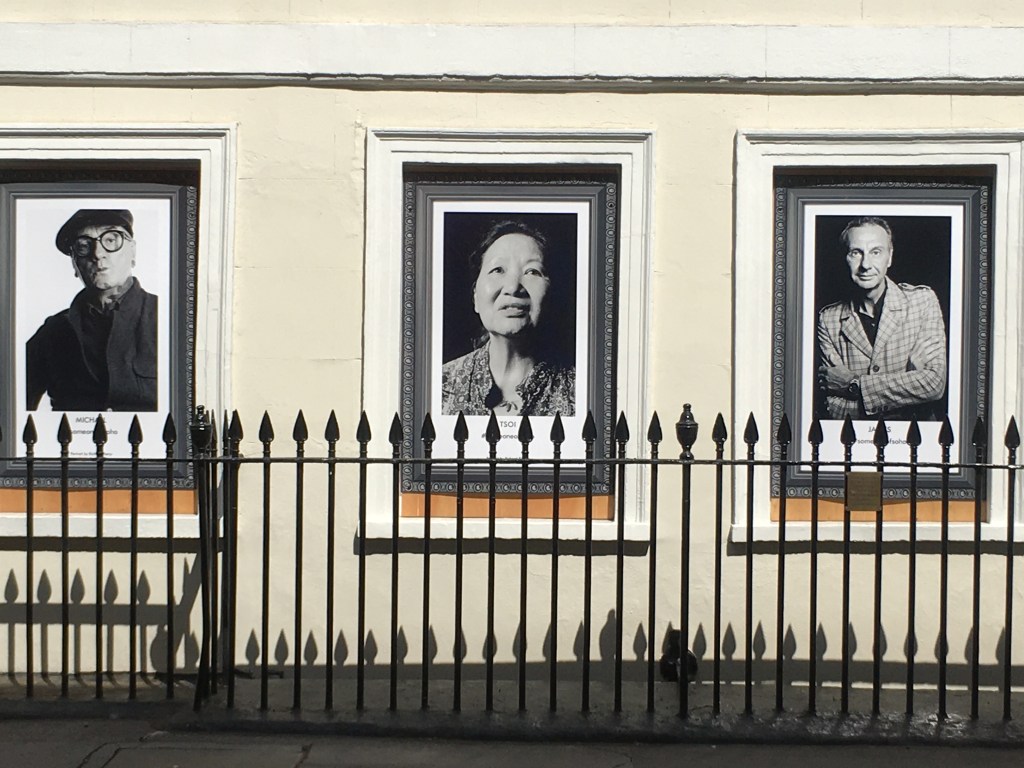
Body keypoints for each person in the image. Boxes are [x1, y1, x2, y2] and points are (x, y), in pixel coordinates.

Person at [26, 208, 158, 412]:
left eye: (111, 240)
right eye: (83, 246)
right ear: (74, 264)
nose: (97, 254)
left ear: (132, 251)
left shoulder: (167, 320)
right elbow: (11, 404)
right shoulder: (53, 332)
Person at [816, 216, 947, 421]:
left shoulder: (922, 301)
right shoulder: (829, 319)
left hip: (914, 435)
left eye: (875, 252)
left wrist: (853, 385)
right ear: (845, 257)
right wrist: (909, 378)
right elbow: (834, 408)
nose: (866, 264)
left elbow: (933, 385)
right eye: (856, 253)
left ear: (890, 257)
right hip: (856, 438)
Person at [441, 219, 575, 417]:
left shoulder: (580, 393)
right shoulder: (439, 387)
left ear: (552, 295)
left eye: (532, 271)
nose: (513, 287)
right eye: (498, 270)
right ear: (475, 296)